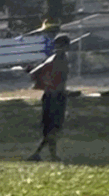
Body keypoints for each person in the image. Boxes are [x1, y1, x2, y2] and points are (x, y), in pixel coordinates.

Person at [24, 34, 73, 162]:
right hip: (54, 97)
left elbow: (35, 73)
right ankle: (46, 155)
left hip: (55, 95)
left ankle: (43, 154)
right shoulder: (56, 60)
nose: (60, 47)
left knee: (52, 129)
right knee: (52, 128)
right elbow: (35, 73)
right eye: (59, 45)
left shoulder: (58, 59)